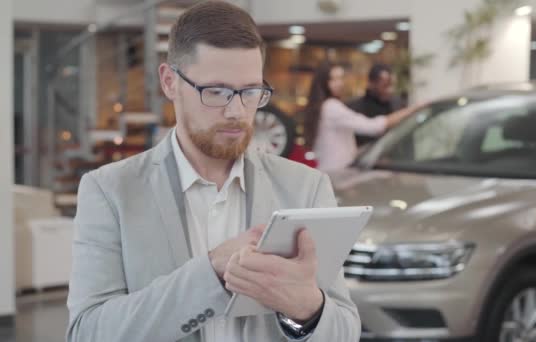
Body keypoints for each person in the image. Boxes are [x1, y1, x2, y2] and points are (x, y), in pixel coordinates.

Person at [66, 2, 360, 342]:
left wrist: (307, 311)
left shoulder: (306, 188)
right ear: (169, 82)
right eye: (216, 92)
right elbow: (87, 333)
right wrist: (210, 273)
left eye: (250, 92)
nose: (236, 111)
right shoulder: (110, 191)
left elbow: (345, 331)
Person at [304, 62, 421, 173]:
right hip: (336, 173)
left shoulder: (325, 106)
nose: (340, 83)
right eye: (333, 79)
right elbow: (374, 127)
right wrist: (415, 108)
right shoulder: (332, 107)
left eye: (340, 78)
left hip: (334, 171)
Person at [347, 63, 398, 146]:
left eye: (391, 85)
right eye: (384, 86)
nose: (390, 90)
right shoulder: (354, 108)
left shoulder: (397, 104)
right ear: (371, 83)